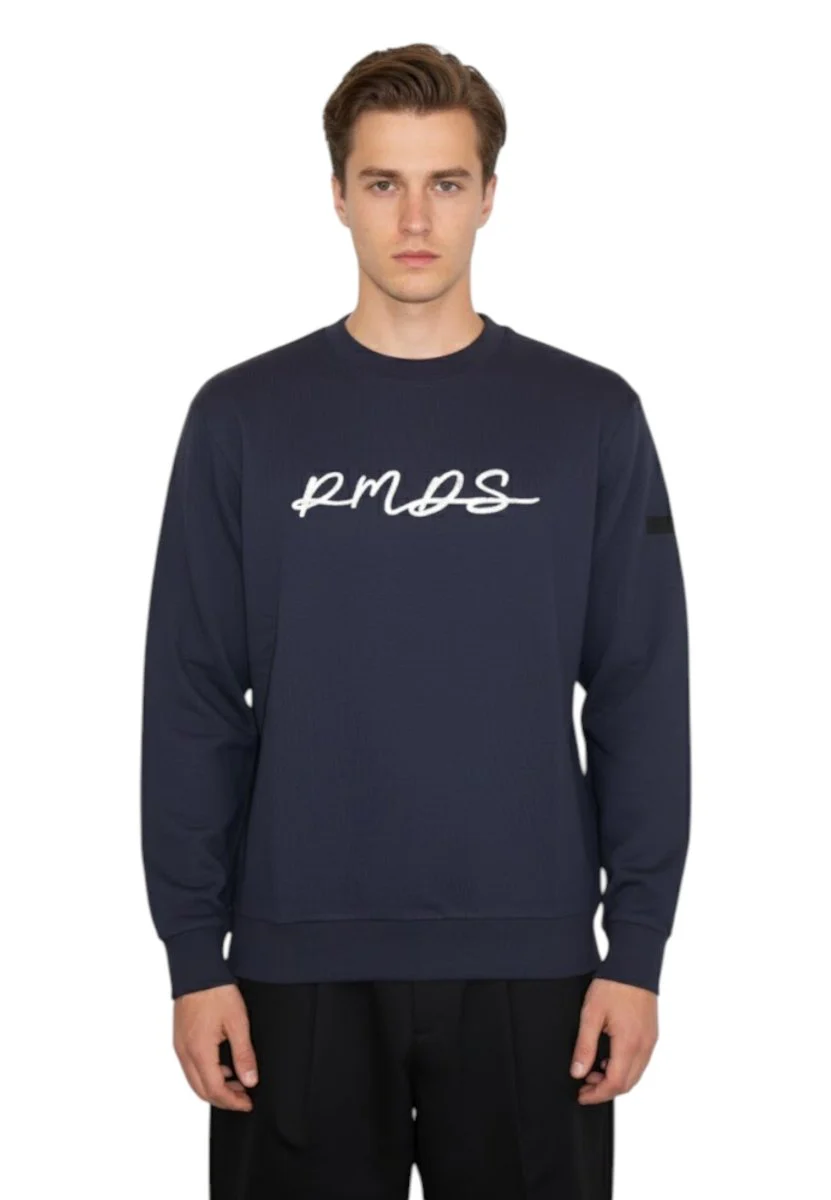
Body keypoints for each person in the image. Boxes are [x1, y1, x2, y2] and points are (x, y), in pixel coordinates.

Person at [140, 41, 691, 1199]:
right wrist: (194, 955)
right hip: (294, 964)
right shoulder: (242, 420)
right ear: (337, 193)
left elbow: (640, 690)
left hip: (533, 964)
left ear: (489, 194)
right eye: (383, 181)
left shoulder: (589, 417)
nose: (415, 218)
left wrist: (636, 950)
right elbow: (193, 696)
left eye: (446, 181)